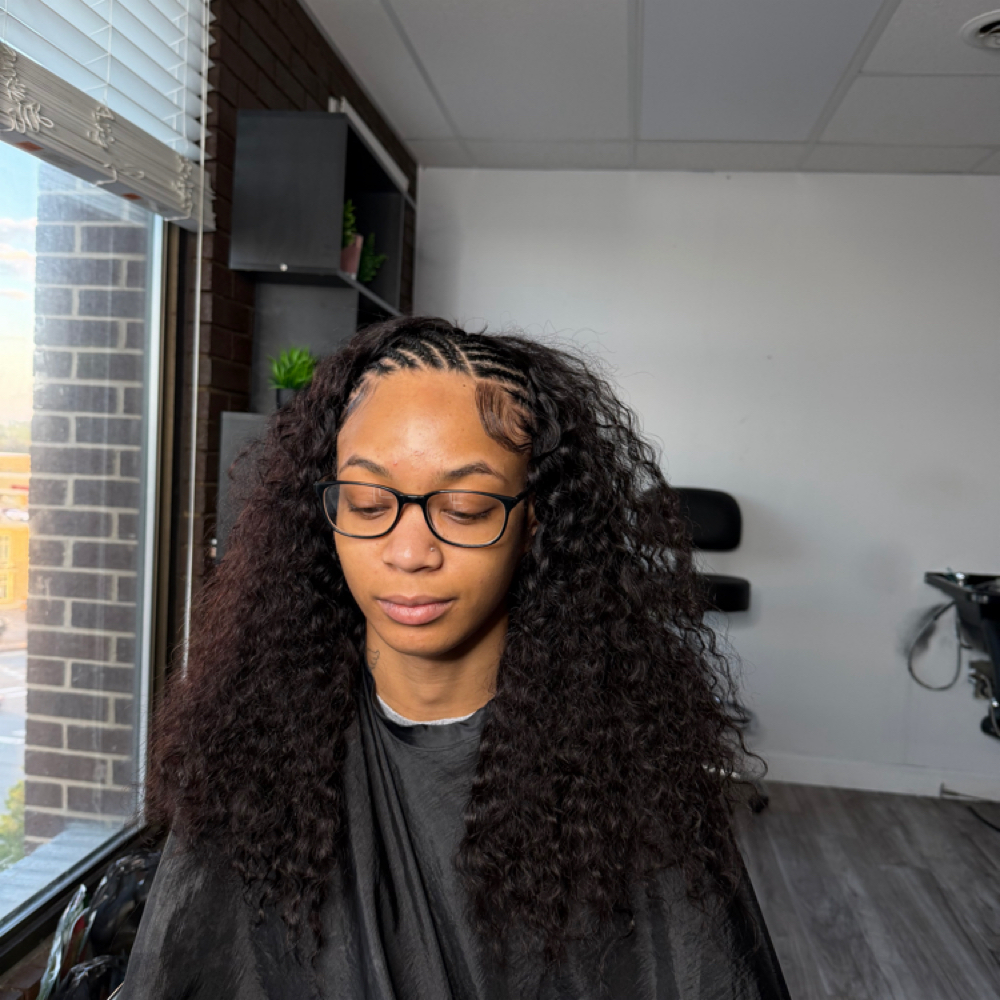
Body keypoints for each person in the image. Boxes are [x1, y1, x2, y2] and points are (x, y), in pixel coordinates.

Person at [115, 316, 791, 999]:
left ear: (536, 525)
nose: (409, 553)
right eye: (368, 502)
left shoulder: (628, 776)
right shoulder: (255, 755)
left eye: (465, 508)